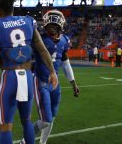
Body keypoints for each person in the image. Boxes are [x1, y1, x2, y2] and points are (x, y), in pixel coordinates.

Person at [0, 0, 58, 144]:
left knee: (6, 126)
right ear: (12, 7)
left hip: (10, 76)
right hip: (27, 76)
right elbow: (42, 50)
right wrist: (52, 71)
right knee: (26, 121)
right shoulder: (29, 21)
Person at [23, 10, 80, 144]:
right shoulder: (39, 39)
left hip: (55, 84)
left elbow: (66, 64)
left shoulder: (65, 41)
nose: (51, 28)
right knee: (45, 120)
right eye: (49, 26)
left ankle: (43, 143)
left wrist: (73, 84)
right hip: (41, 81)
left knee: (51, 119)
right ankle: (24, 141)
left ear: (61, 26)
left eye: (54, 25)